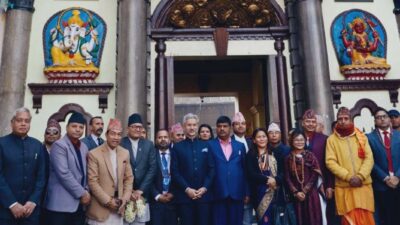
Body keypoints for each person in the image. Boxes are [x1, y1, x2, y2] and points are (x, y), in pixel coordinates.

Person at [326, 107, 375, 225]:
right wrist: (349, 177)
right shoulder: (331, 140)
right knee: (349, 220)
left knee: (366, 218)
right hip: (344, 187)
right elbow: (330, 162)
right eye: (340, 119)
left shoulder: (361, 137)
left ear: (351, 120)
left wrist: (360, 176)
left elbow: (369, 158)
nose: (343, 121)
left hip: (362, 185)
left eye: (346, 118)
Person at [0, 107, 46, 225]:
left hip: (31, 211)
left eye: (26, 121)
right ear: (12, 122)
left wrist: (33, 201)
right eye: (19, 120)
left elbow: (41, 177)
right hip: (5, 210)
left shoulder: (38, 145)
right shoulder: (2, 144)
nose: (23, 124)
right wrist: (12, 203)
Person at [44, 112, 91, 225]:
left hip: (79, 205)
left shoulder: (84, 147)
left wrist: (87, 190)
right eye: (74, 126)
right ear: (67, 127)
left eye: (81, 127)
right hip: (61, 205)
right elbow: (64, 174)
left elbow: (86, 172)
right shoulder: (59, 145)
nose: (78, 129)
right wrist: (83, 193)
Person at [86, 119, 133, 225]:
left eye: (119, 134)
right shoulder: (94, 154)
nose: (116, 137)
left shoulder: (125, 153)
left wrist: (125, 199)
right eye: (113, 134)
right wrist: (108, 201)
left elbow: (129, 178)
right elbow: (92, 182)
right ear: (106, 135)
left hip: (119, 207)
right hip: (100, 209)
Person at [171, 113, 215, 225]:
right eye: (189, 125)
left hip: (204, 196)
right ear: (184, 126)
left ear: (197, 126)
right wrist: (187, 189)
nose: (192, 127)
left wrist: (204, 188)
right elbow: (175, 172)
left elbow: (212, 169)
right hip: (184, 197)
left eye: (194, 125)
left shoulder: (206, 146)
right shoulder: (177, 147)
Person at [209, 116, 247, 225]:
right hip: (217, 193)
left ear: (230, 128)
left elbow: (245, 170)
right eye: (219, 126)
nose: (222, 129)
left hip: (237, 193)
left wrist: (247, 192)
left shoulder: (240, 146)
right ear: (216, 128)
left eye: (225, 126)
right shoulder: (210, 145)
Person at [120, 113, 157, 225]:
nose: (137, 129)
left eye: (140, 127)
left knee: (140, 222)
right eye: (134, 126)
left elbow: (152, 168)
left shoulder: (148, 144)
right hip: (124, 194)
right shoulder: (121, 143)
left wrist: (141, 190)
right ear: (128, 129)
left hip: (143, 194)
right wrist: (129, 191)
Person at [302, 109, 337, 224]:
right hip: (302, 184)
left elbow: (329, 164)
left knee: (321, 214)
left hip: (320, 183)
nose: (310, 124)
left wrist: (330, 185)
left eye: (313, 121)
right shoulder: (297, 138)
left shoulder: (324, 139)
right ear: (302, 123)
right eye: (308, 121)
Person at [285, 129, 326, 225]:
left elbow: (315, 175)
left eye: (301, 140)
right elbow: (287, 177)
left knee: (313, 219)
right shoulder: (288, 158)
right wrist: (296, 192)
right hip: (296, 196)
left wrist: (304, 191)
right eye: (296, 140)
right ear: (292, 141)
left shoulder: (310, 156)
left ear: (305, 141)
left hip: (311, 195)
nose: (299, 142)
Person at [367, 108, 400, 225]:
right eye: (378, 117)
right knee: (385, 219)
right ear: (375, 121)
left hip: (399, 181)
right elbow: (369, 161)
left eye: (384, 116)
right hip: (381, 184)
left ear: (389, 119)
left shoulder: (399, 135)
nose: (382, 119)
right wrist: (385, 178)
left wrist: (397, 176)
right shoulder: (368, 138)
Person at [246, 128, 278, 225]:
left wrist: (275, 180)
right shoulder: (250, 155)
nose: (262, 139)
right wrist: (267, 179)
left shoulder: (274, 153)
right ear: (254, 140)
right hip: (259, 192)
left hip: (276, 191)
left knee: (277, 220)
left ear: (267, 138)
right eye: (259, 137)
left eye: (264, 136)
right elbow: (251, 174)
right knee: (264, 220)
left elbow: (282, 172)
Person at [150, 129, 177, 225]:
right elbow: (148, 177)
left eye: (165, 137)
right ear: (156, 139)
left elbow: (180, 175)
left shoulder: (176, 154)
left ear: (169, 139)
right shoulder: (151, 154)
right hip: (156, 203)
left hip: (173, 202)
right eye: (160, 137)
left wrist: (173, 193)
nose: (163, 139)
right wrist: (157, 196)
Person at [230, 112, 253, 225]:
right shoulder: (228, 143)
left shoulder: (252, 142)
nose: (240, 126)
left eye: (243, 123)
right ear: (232, 126)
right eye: (237, 124)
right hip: (236, 189)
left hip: (255, 187)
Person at [266, 123, 290, 205]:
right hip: (267, 186)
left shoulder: (287, 150)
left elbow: (288, 171)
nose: (274, 135)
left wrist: (276, 180)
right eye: (271, 133)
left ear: (280, 135)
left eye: (276, 133)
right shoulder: (263, 150)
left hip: (284, 187)